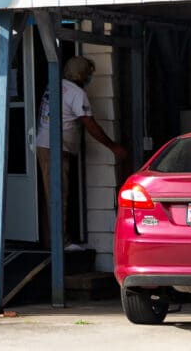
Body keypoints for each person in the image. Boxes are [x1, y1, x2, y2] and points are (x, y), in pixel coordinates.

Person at [33, 55, 126, 246]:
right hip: (55, 148)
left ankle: (49, 239)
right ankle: (61, 243)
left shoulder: (56, 85)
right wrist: (113, 146)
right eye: (89, 74)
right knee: (58, 194)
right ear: (81, 74)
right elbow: (90, 124)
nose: (90, 78)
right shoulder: (76, 93)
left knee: (50, 194)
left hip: (46, 144)